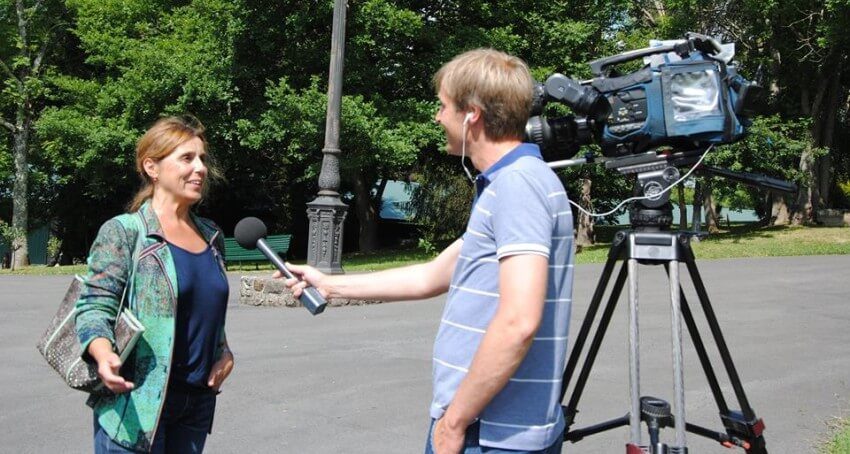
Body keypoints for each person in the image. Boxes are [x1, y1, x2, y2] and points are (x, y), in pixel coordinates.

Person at [281, 49, 575, 454]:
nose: (438, 117)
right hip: (485, 426)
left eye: (443, 106)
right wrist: (328, 285)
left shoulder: (517, 186)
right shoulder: (509, 181)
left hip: (491, 433)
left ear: (471, 113)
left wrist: (454, 423)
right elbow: (432, 275)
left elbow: (519, 321)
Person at [75, 115, 234, 453]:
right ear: (152, 167)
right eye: (187, 158)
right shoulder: (125, 231)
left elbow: (204, 312)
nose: (201, 168)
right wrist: (104, 355)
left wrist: (225, 351)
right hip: (137, 402)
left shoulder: (211, 236)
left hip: (196, 403)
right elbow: (93, 306)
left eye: (202, 158)